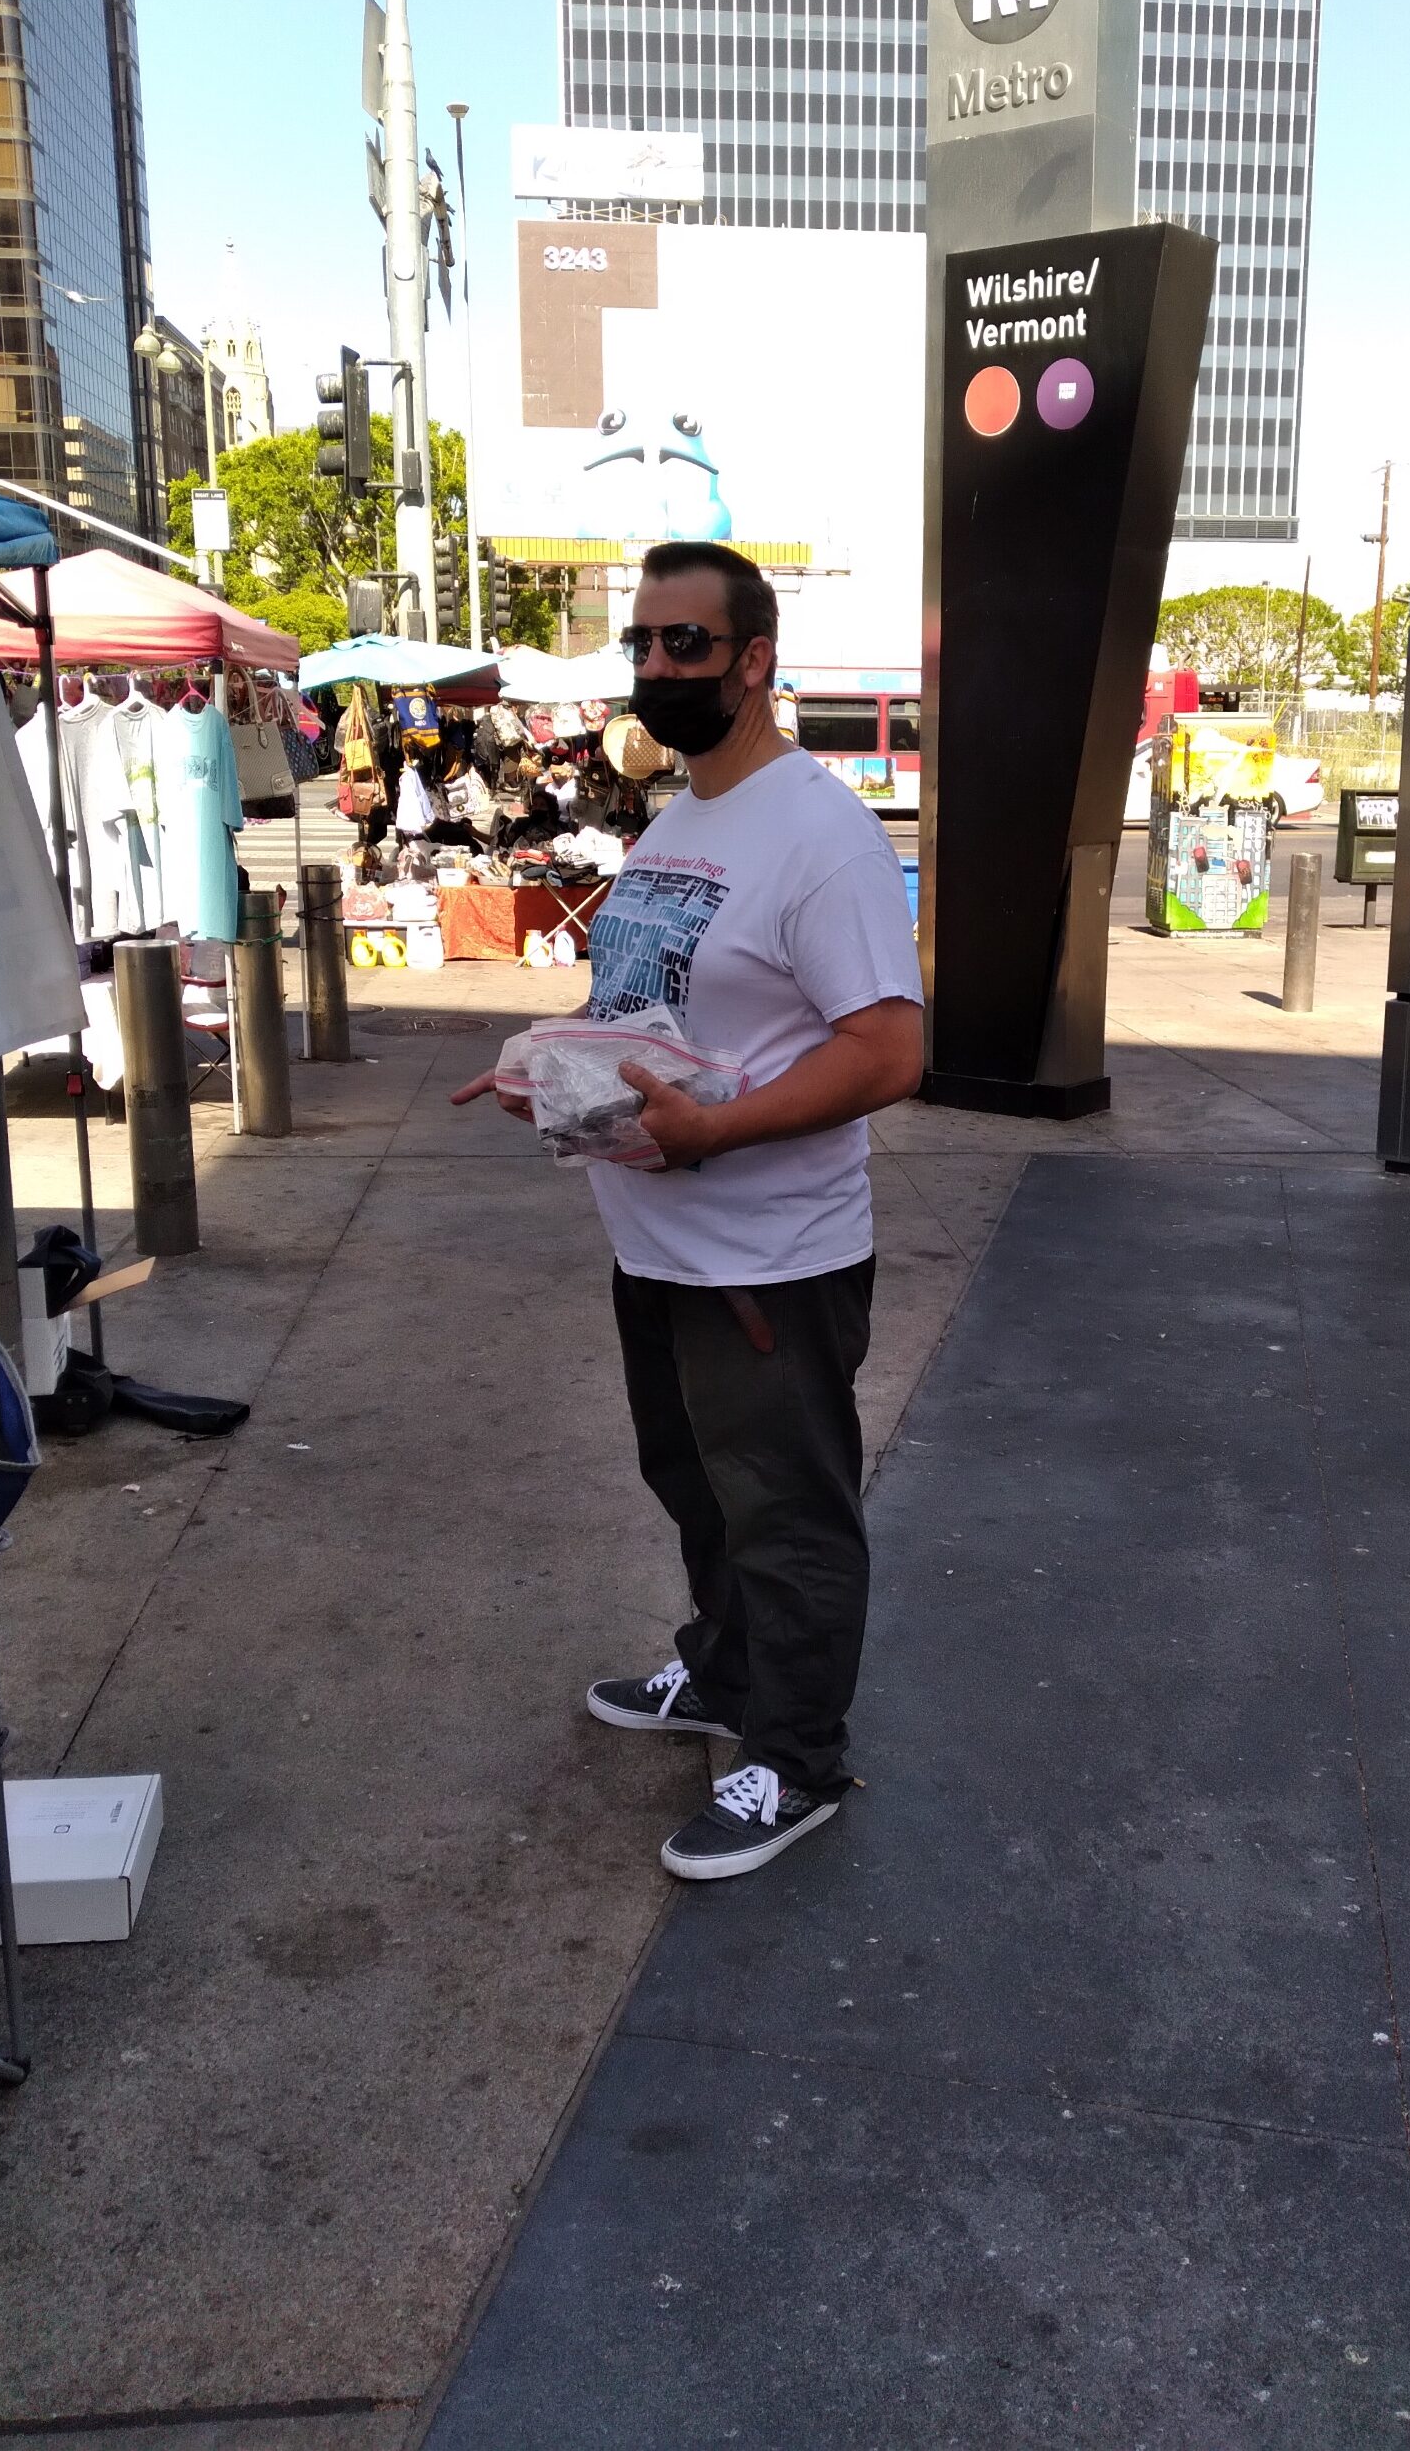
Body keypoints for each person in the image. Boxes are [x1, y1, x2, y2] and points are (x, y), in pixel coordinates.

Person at [452, 541, 923, 1880]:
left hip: (767, 1261)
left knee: (787, 1514)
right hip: (655, 1243)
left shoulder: (820, 836)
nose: (656, 667)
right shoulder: (679, 821)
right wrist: (553, 1071)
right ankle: (724, 1675)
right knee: (698, 1488)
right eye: (642, 644)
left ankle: (798, 1758)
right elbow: (651, 1012)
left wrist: (717, 1130)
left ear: (754, 659)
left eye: (686, 645)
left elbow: (889, 1051)